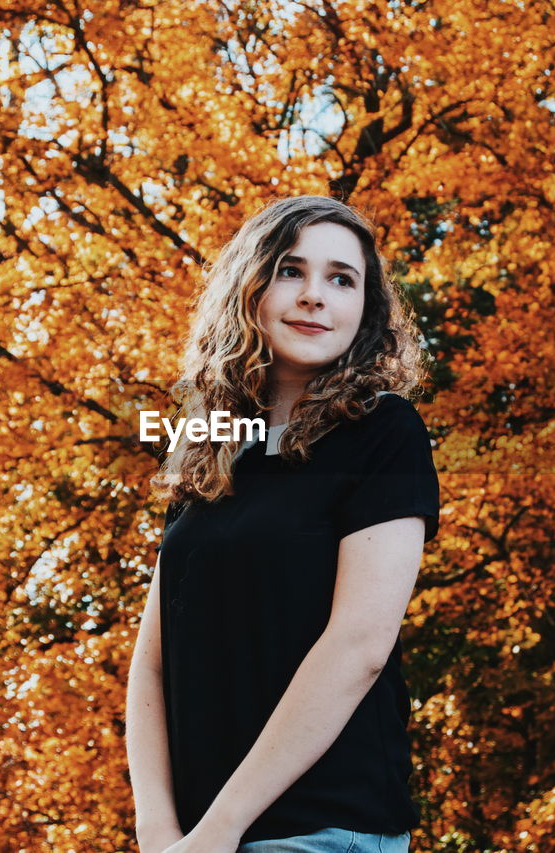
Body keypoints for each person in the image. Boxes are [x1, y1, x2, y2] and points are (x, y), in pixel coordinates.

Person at [126, 195, 440, 853]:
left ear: (365, 308)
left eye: (341, 279)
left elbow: (358, 646)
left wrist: (221, 828)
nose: (315, 296)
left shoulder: (384, 433)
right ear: (252, 287)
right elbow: (151, 663)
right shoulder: (207, 448)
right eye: (291, 271)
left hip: (325, 831)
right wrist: (158, 830)